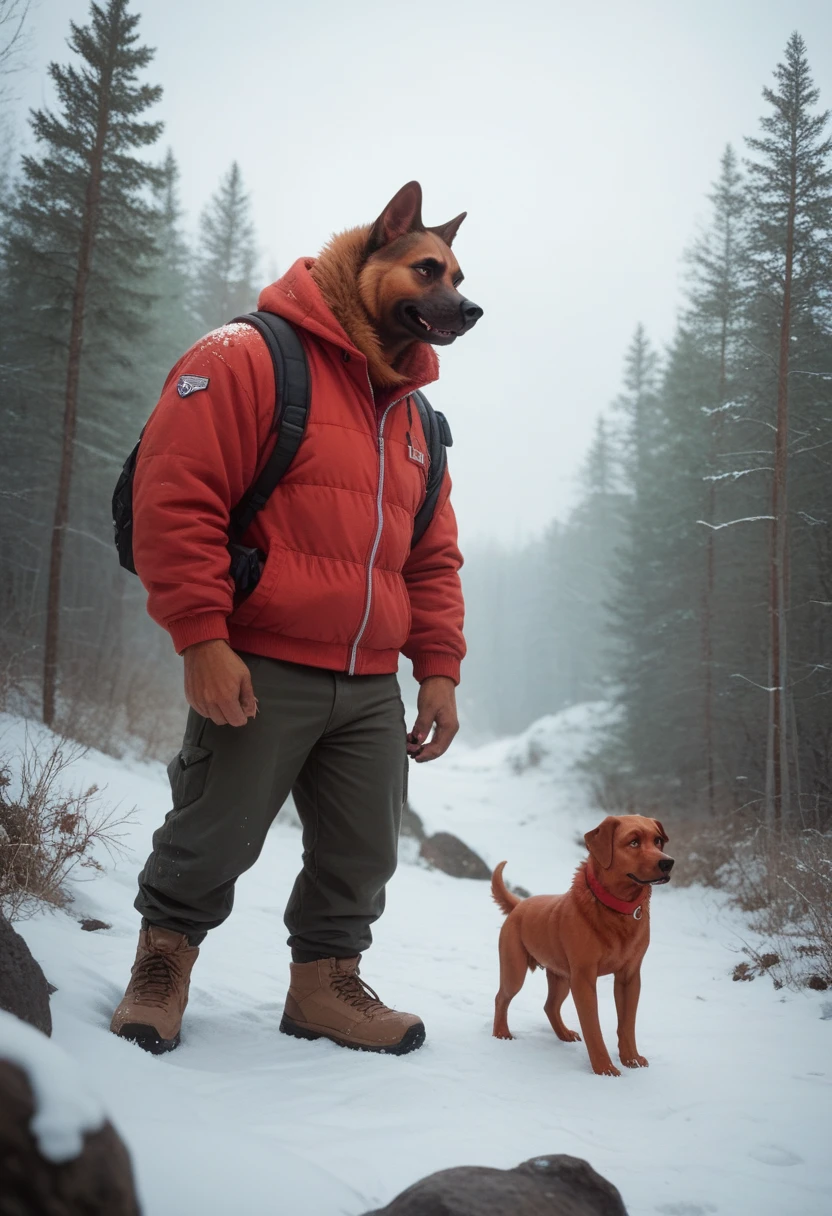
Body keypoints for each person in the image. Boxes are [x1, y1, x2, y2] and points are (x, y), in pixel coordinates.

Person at [109, 182, 482, 1055]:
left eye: (456, 279)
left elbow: (431, 557)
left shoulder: (415, 415)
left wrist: (438, 669)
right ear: (377, 251)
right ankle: (160, 965)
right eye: (428, 272)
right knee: (210, 835)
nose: (450, 297)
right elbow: (176, 499)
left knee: (362, 855)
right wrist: (202, 637)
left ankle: (326, 985)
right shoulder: (247, 356)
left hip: (368, 685)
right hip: (260, 660)